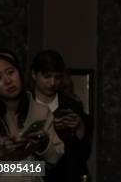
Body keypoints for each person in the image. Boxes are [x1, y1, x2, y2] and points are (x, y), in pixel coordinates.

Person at [0, 49, 64, 182]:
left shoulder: (40, 112)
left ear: (20, 74)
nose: (8, 81)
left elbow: (55, 161)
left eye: (11, 72)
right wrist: (2, 157)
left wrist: (43, 144)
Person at [30, 50, 91, 182]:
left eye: (57, 77)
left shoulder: (71, 106)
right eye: (47, 76)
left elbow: (83, 155)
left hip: (66, 175)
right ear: (34, 75)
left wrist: (80, 128)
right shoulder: (24, 104)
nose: (52, 83)